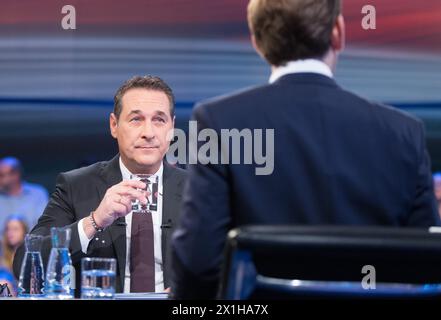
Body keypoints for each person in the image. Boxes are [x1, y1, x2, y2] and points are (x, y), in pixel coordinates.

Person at [171, 0, 441, 299]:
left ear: (257, 42)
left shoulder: (218, 121)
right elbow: (425, 262)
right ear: (337, 32)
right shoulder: (404, 132)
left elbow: (197, 265)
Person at [13, 75, 187, 296]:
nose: (148, 133)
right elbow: (24, 265)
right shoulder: (76, 186)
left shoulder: (197, 190)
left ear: (171, 127)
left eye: (159, 120)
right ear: (114, 125)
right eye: (136, 119)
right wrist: (94, 221)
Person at [0, 157, 49, 230]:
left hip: (33, 240)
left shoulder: (37, 194)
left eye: (1, 175)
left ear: (15, 175)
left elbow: (45, 224)